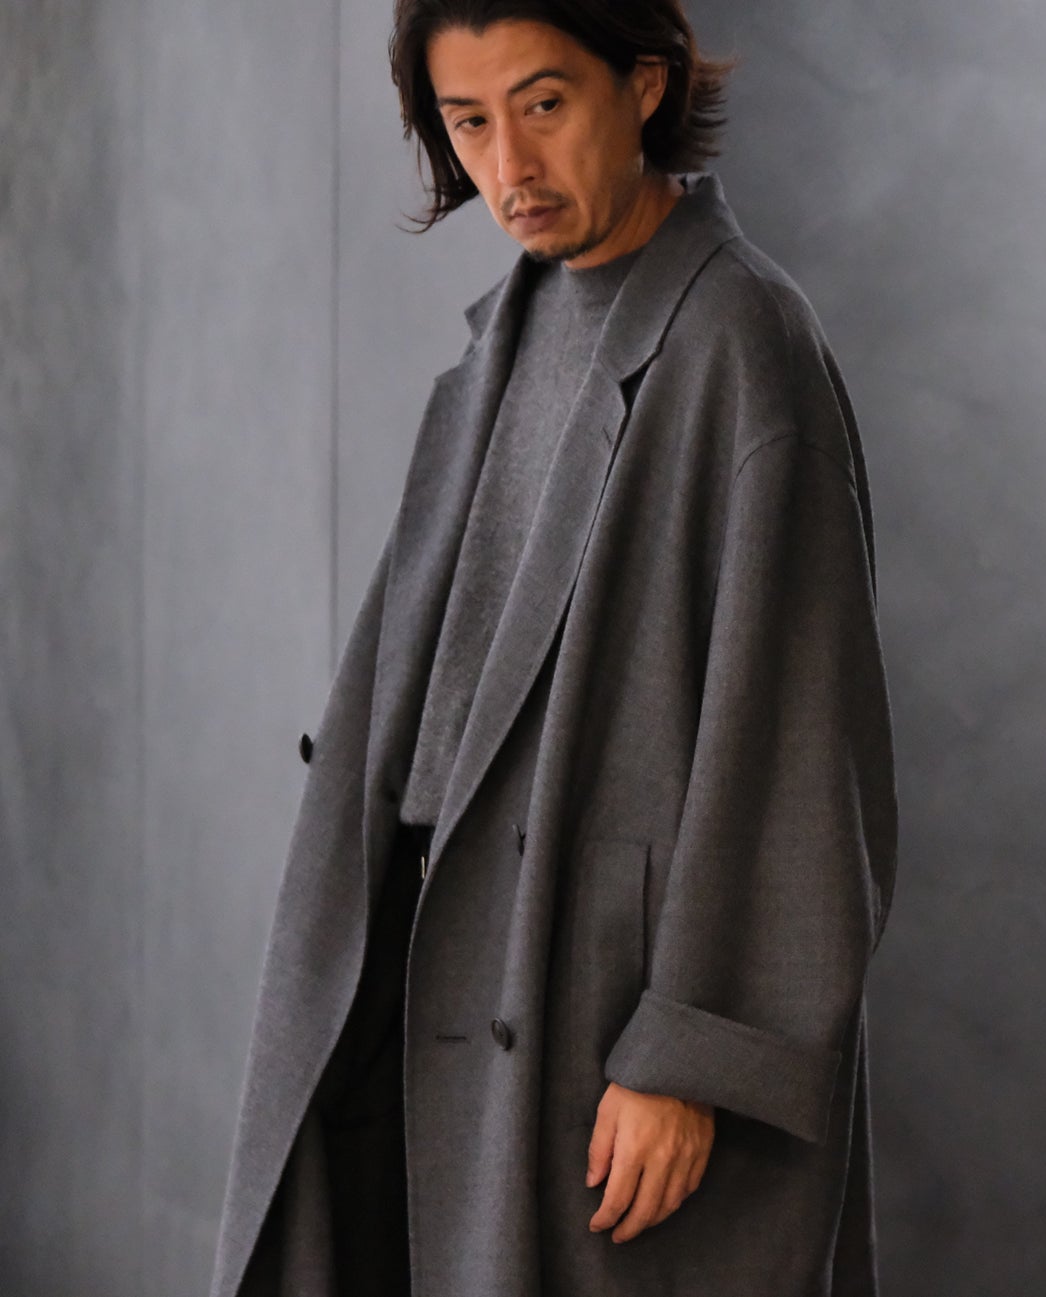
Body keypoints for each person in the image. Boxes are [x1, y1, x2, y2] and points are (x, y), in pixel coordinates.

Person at [206, 4, 898, 1295]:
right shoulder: (502, 341)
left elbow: (802, 747)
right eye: (468, 122)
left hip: (588, 1024)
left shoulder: (743, 347)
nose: (509, 167)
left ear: (644, 84)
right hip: (415, 990)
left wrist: (691, 1051)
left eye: (543, 105)